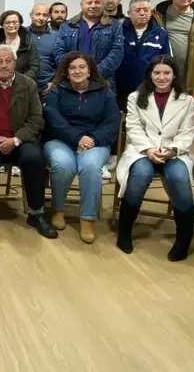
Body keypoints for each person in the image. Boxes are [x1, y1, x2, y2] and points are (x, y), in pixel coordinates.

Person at [0, 45, 56, 238]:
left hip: (21, 140)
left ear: (15, 63)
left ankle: (36, 212)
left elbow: (36, 118)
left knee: (34, 159)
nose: (4, 65)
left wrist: (15, 139)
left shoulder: (28, 84)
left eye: (8, 61)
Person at [114, 55, 194, 260]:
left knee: (178, 177)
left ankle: (183, 239)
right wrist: (149, 149)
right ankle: (124, 232)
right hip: (142, 150)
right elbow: (133, 127)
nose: (162, 77)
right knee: (140, 174)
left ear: (174, 75)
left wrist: (172, 150)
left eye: (166, 73)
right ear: (150, 75)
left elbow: (188, 132)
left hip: (175, 152)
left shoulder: (187, 101)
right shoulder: (135, 97)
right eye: (157, 73)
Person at [42, 52, 120, 244]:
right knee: (62, 165)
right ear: (66, 72)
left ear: (89, 71)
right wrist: (78, 138)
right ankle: (58, 209)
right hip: (61, 140)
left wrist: (91, 139)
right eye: (72, 68)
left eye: (82, 67)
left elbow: (112, 122)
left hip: (95, 142)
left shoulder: (105, 91)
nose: (77, 71)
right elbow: (52, 119)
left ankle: (87, 219)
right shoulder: (56, 90)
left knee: (90, 167)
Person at [53, 0, 125, 94]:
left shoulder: (114, 26)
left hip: (103, 82)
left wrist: (94, 73)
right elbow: (59, 51)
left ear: (102, 4)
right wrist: (74, 72)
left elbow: (117, 53)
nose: (93, 5)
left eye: (97, 2)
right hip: (71, 83)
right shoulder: (67, 26)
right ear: (82, 5)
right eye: (89, 2)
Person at [115, 0, 170, 111]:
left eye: (146, 10)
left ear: (151, 13)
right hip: (122, 89)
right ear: (129, 13)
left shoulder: (161, 34)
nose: (142, 13)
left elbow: (167, 63)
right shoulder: (118, 31)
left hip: (150, 89)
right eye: (138, 10)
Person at [0, 10, 40, 83]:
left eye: (15, 22)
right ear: (2, 25)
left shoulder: (29, 42)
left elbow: (34, 66)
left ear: (20, 24)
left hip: (23, 85)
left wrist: (22, 81)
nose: (11, 25)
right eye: (7, 22)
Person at [27, 3, 58, 94]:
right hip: (25, 85)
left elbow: (60, 62)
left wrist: (54, 83)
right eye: (38, 14)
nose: (41, 18)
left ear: (48, 17)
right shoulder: (22, 34)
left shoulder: (56, 36)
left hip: (48, 86)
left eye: (45, 15)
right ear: (31, 15)